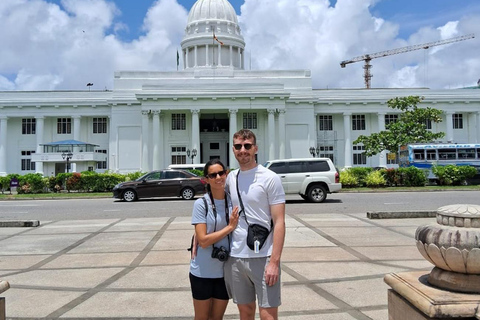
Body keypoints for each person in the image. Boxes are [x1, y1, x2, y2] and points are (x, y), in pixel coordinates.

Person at [224, 129, 286, 320]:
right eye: (238, 146)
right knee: (245, 312)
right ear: (233, 150)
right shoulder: (230, 178)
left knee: (268, 315)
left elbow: (280, 221)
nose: (243, 150)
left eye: (247, 146)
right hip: (236, 256)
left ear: (255, 148)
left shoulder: (270, 178)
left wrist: (274, 262)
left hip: (263, 256)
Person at [189, 159, 239, 320]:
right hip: (202, 272)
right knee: (202, 317)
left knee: (217, 318)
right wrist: (229, 228)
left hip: (224, 272)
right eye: (213, 175)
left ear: (226, 174)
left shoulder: (233, 202)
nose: (218, 177)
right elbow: (203, 240)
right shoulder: (201, 204)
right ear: (206, 179)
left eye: (221, 173)